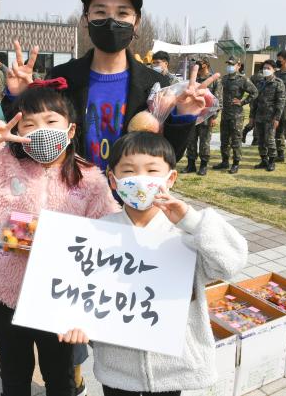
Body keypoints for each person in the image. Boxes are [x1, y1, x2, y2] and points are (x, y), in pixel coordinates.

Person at [0, 80, 119, 396]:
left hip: (59, 299)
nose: (40, 131)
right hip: (6, 294)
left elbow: (109, 239)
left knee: (60, 379)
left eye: (50, 122)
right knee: (14, 377)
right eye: (29, 124)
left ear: (70, 131)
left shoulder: (90, 181)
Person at [59, 131, 248, 396]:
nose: (140, 179)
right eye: (129, 171)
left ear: (170, 178)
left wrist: (192, 220)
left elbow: (232, 262)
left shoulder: (186, 234)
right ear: (113, 181)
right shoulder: (98, 233)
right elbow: (80, 291)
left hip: (172, 367)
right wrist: (76, 322)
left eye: (151, 170)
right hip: (117, 370)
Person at [8, 0, 216, 174]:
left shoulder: (156, 84)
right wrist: (18, 97)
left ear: (136, 22)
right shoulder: (61, 79)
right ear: (86, 19)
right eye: (100, 12)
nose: (111, 21)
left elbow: (168, 156)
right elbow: (25, 144)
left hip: (130, 203)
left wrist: (184, 117)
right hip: (70, 199)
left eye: (122, 13)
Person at [213, 56, 258, 174]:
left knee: (236, 140)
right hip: (225, 114)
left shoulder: (243, 80)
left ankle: (236, 163)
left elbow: (254, 92)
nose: (230, 66)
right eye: (228, 64)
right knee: (224, 140)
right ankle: (224, 161)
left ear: (238, 65)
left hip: (236, 115)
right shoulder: (224, 79)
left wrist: (242, 102)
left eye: (232, 64)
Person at [183, 57, 222, 176]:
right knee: (191, 140)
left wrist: (214, 116)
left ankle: (203, 165)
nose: (198, 65)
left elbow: (217, 100)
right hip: (193, 115)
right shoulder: (195, 78)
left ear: (206, 65)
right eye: (197, 63)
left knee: (204, 141)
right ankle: (191, 164)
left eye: (200, 63)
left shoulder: (215, 80)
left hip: (207, 116)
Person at [249, 60, 285, 171]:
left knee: (269, 140)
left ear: (274, 70)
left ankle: (271, 162)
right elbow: (254, 101)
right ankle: (263, 160)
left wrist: (277, 118)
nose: (265, 70)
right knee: (260, 140)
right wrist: (252, 116)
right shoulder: (260, 83)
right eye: (264, 68)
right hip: (259, 116)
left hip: (271, 117)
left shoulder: (278, 83)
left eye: (268, 68)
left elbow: (280, 102)